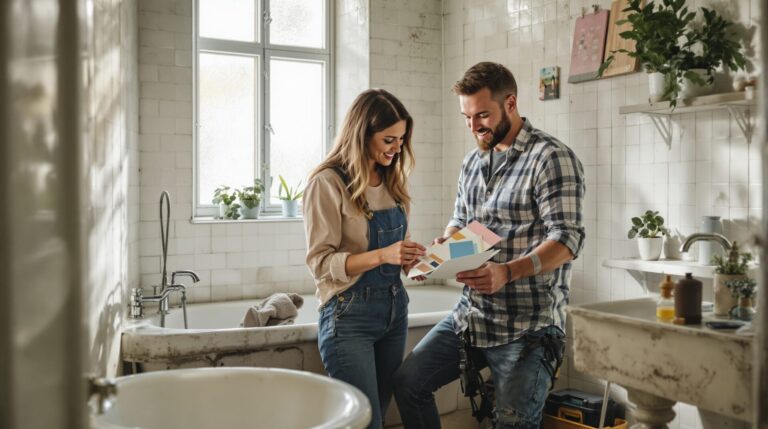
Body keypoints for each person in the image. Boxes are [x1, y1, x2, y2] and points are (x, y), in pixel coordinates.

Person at [393, 62, 585, 429]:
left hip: (529, 326)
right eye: (467, 117)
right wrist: (442, 248)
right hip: (473, 315)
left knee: (512, 424)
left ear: (510, 104)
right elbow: (462, 221)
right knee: (409, 383)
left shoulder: (551, 158)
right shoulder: (473, 161)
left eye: (482, 115)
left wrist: (508, 272)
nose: (474, 126)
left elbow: (567, 240)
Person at [303, 89, 427, 429]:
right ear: (362, 134)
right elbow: (320, 263)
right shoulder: (326, 183)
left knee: (380, 416)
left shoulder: (392, 179)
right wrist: (382, 254)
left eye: (401, 140)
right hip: (348, 317)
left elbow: (392, 249)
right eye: (388, 139)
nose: (396, 148)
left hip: (394, 310)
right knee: (364, 423)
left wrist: (408, 258)